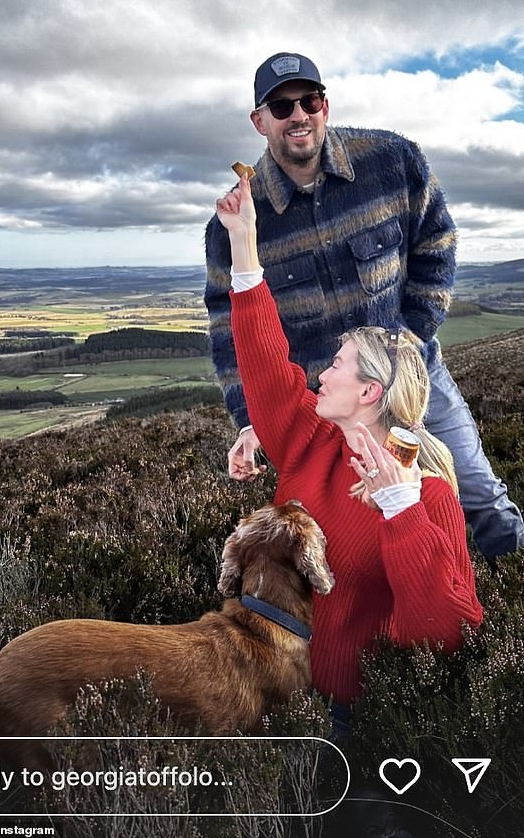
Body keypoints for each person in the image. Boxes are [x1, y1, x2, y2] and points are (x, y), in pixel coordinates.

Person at [205, 51, 524, 560]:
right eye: (282, 107)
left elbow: (436, 245)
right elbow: (230, 333)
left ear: (325, 105)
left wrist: (408, 343)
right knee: (349, 544)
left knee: (480, 499)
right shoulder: (239, 219)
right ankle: (398, 641)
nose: (299, 116)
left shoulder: (393, 161)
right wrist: (249, 419)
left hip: (413, 384)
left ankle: (507, 613)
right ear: (259, 121)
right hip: (327, 411)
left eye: (309, 100)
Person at [215, 170, 483, 718]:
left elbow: (447, 633)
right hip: (279, 691)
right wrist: (244, 240)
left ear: (368, 391)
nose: (319, 378)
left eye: (335, 366)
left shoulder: (426, 497)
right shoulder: (313, 443)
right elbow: (266, 366)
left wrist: (400, 511)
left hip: (357, 718)